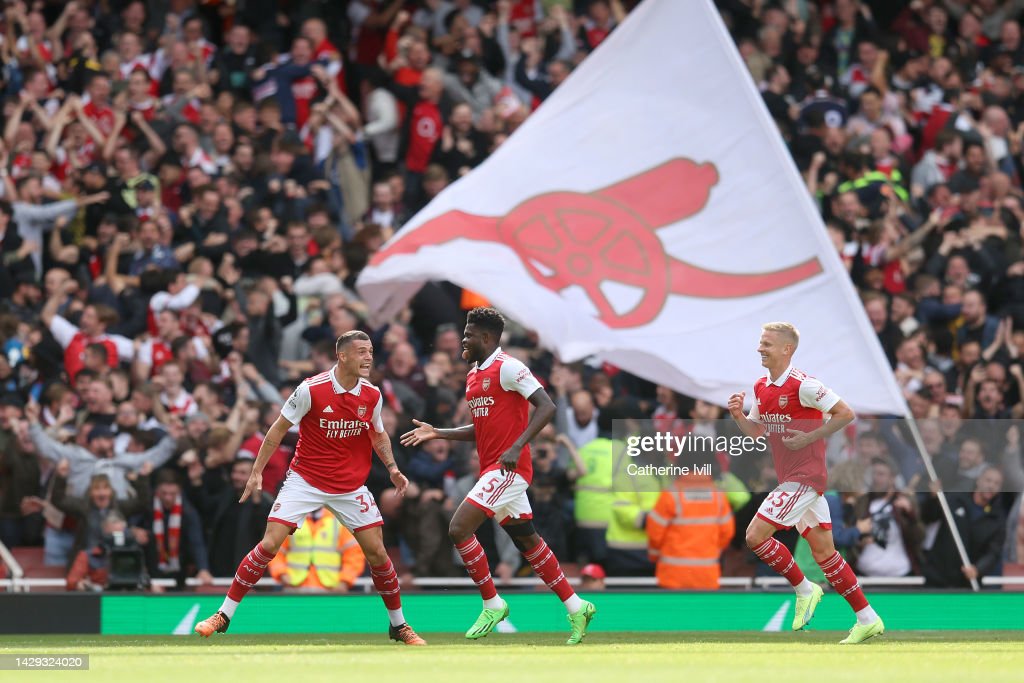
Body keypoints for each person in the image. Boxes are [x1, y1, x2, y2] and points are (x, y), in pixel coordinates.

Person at [194, 331, 425, 645]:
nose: (368, 357)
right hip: (306, 481)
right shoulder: (310, 390)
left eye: (370, 351)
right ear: (341, 355)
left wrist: (394, 469)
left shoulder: (372, 394)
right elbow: (276, 432)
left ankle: (398, 626)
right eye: (361, 352)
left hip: (350, 486)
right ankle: (223, 616)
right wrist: (256, 472)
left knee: (378, 554)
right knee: (269, 544)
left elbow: (378, 435)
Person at [401, 307, 597, 645]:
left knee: (458, 527)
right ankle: (577, 606)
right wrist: (439, 433)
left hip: (509, 469)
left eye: (468, 334)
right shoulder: (474, 374)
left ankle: (493, 603)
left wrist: (517, 445)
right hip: (494, 468)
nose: (463, 340)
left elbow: (546, 406)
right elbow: (481, 429)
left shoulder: (509, 367)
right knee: (529, 543)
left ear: (487, 338)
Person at [727, 322, 884, 644]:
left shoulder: (804, 385)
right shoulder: (761, 387)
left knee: (755, 536)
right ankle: (867, 618)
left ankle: (804, 588)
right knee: (826, 554)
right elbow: (757, 433)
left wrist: (810, 437)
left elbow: (845, 413)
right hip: (794, 480)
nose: (760, 348)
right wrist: (738, 417)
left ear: (787, 349)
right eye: (760, 342)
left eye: (767, 343)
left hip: (805, 478)